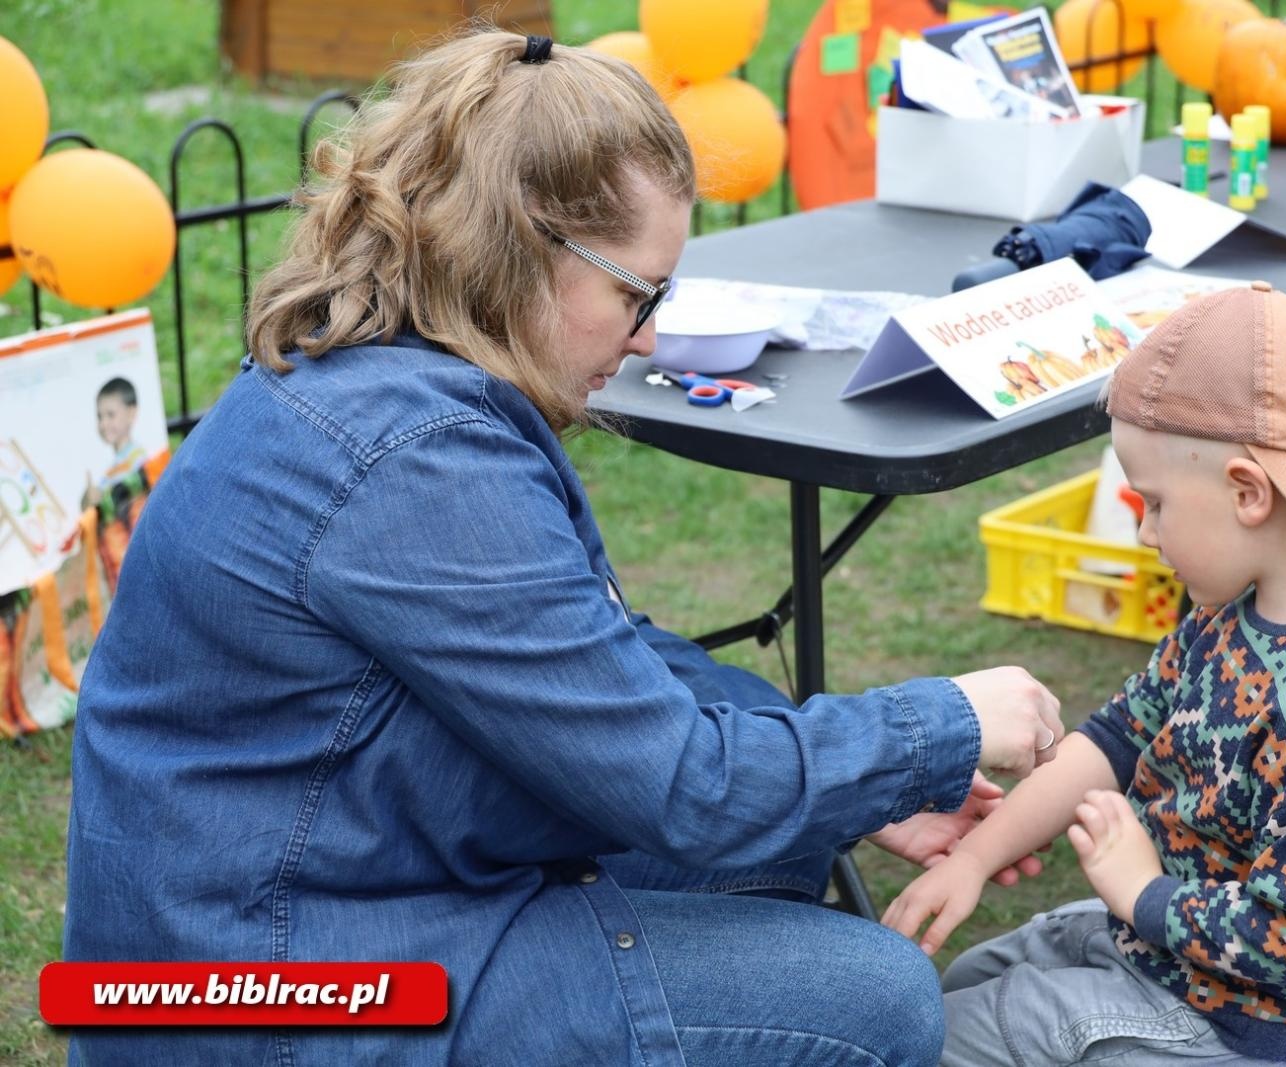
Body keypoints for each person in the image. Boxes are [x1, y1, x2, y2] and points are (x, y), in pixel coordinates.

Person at [62, 29, 1068, 1067]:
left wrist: (877, 785)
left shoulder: (387, 373)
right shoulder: (416, 460)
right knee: (878, 996)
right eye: (639, 295)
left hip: (309, 898)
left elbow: (599, 658)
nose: (646, 338)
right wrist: (938, 726)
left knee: (789, 835)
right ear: (524, 246)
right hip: (267, 985)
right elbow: (684, 788)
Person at [883, 281, 1286, 1066]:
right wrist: (974, 856)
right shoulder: (1232, 609)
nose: (1144, 532)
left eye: (1156, 503)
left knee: (947, 1035)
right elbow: (1117, 736)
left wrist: (1145, 893)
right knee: (966, 979)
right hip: (1158, 950)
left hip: (1230, 1024)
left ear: (1247, 491)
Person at [81, 377, 146, 509]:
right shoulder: (111, 469)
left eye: (110, 415)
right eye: (100, 417)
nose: (104, 424)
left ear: (131, 414)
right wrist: (88, 498)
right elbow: (93, 505)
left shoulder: (138, 458)